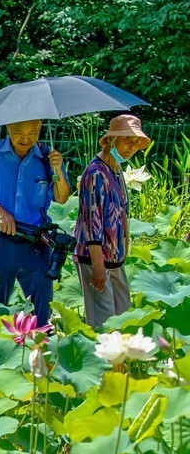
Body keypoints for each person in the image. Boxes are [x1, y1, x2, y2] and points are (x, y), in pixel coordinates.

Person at [0, 119, 70, 325]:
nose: (25, 138)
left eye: (32, 132)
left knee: (41, 315)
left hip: (36, 244)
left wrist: (59, 170)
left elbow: (61, 198)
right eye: (19, 132)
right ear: (8, 128)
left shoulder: (47, 157)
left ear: (40, 128)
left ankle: (39, 353)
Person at [73, 114, 150, 328]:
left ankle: (122, 362)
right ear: (109, 140)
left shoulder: (115, 171)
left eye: (136, 143)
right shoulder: (96, 173)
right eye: (127, 140)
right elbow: (91, 222)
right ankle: (105, 362)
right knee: (104, 323)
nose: (132, 147)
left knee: (123, 317)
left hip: (115, 259)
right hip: (95, 258)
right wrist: (98, 266)